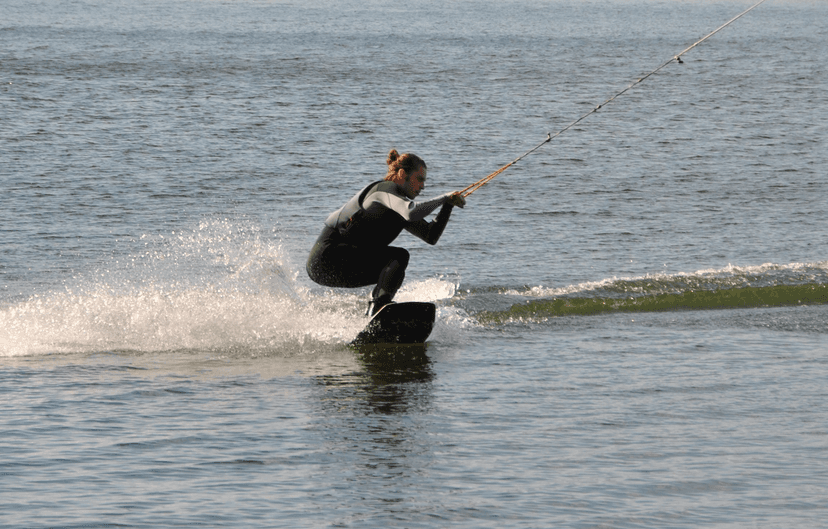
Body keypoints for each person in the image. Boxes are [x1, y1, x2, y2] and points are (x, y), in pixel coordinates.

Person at [307, 149, 466, 316]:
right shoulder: (383, 191)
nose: (423, 186)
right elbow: (411, 212)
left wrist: (448, 206)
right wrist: (444, 198)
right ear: (402, 173)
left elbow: (430, 235)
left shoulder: (400, 206)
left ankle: (375, 315)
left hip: (342, 266)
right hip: (326, 258)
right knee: (398, 256)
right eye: (419, 179)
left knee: (395, 265)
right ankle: (378, 307)